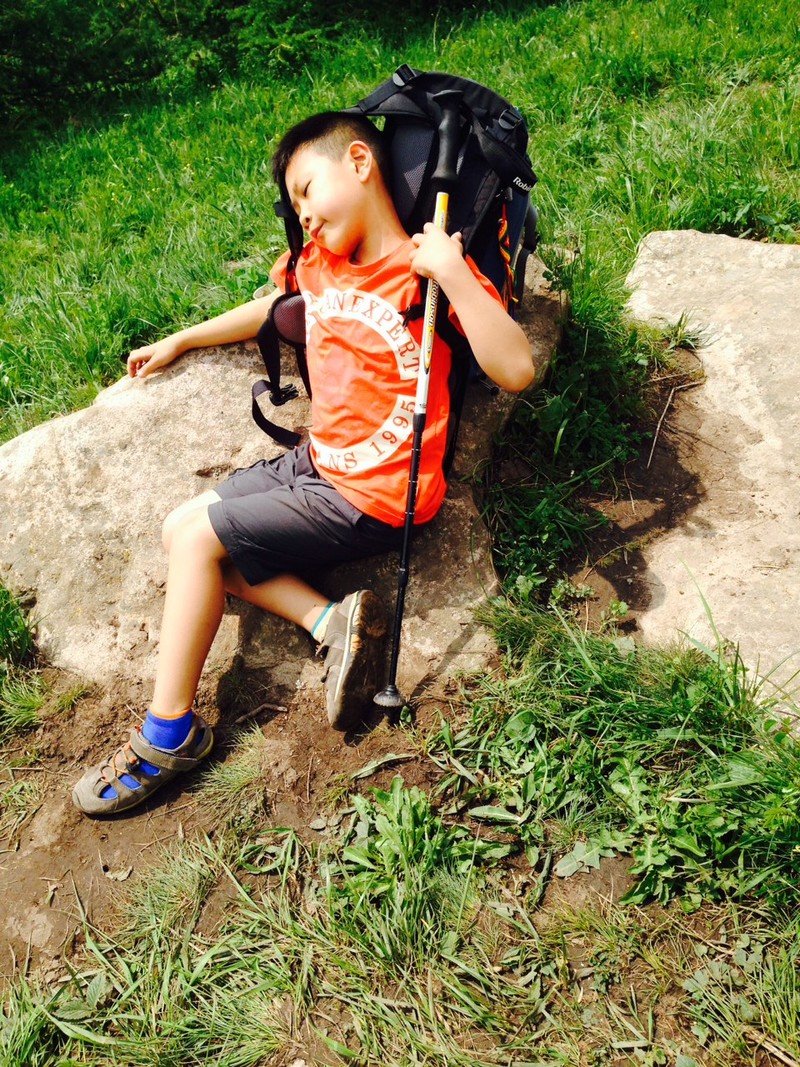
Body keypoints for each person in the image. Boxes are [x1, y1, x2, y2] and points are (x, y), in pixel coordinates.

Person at [71, 110, 535, 816]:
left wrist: (452, 271)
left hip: (375, 495)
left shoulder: (425, 276)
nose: (303, 214)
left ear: (360, 163)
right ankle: (328, 622)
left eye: (307, 190)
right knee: (182, 536)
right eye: (293, 204)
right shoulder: (315, 265)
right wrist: (184, 338)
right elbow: (270, 308)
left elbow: (516, 368)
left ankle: (169, 734)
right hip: (317, 466)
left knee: (196, 542)